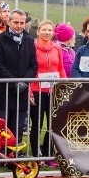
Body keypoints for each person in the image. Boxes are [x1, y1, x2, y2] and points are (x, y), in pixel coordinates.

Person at [0, 9, 37, 143]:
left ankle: (13, 157)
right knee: (2, 127)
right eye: (16, 22)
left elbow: (33, 65)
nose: (19, 26)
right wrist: (14, 82)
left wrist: (24, 82)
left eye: (22, 23)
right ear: (9, 22)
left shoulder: (29, 41)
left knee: (18, 127)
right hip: (4, 91)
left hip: (21, 93)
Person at [30, 20, 66, 164]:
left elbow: (61, 69)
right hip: (37, 91)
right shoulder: (32, 47)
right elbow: (30, 69)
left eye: (49, 30)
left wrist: (65, 86)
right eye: (44, 30)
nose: (47, 33)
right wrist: (30, 91)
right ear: (38, 31)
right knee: (37, 124)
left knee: (53, 124)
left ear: (53, 33)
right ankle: (35, 156)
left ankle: (48, 153)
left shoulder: (57, 48)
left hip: (54, 91)